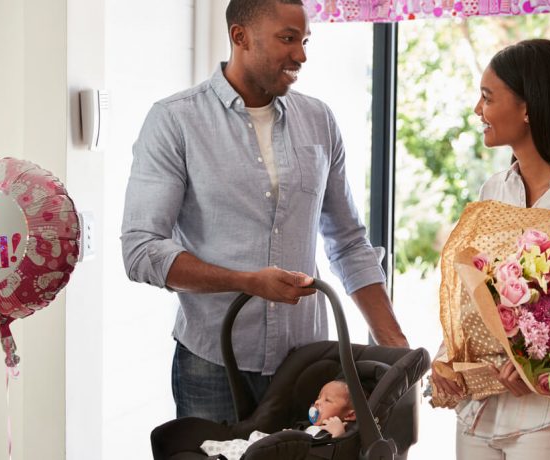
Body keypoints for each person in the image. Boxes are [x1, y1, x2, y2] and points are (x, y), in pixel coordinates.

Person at [121, 0, 408, 424]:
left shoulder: (320, 121)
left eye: (305, 40)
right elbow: (141, 250)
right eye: (288, 39)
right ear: (240, 37)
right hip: (212, 365)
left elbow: (348, 243)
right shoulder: (174, 121)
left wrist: (396, 347)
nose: (302, 55)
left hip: (307, 369)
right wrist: (246, 282)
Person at [431, 39, 550, 459]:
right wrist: (446, 358)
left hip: (545, 416)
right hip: (479, 410)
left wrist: (537, 367)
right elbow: (472, 294)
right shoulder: (493, 190)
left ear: (527, 107)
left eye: (488, 97)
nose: (478, 110)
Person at [200, 380, 358, 459]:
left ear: (350, 415)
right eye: (318, 397)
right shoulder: (309, 426)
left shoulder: (338, 429)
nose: (317, 402)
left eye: (327, 400)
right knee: (244, 443)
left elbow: (338, 451)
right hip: (280, 448)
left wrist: (339, 433)